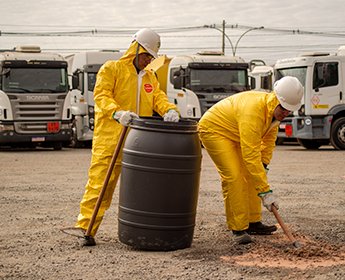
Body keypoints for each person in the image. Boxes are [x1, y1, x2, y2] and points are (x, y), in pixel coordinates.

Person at [62, 28, 180, 246]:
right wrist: (117, 113)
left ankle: (145, 230)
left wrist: (169, 110)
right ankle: (85, 229)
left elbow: (158, 98)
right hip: (110, 139)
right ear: (135, 49)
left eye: (151, 58)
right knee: (100, 185)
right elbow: (101, 95)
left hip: (139, 142)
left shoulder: (150, 76)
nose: (148, 61)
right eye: (146, 55)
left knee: (143, 187)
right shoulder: (112, 68)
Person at [198, 76, 303, 244]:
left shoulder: (274, 115)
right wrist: (265, 191)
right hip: (214, 130)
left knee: (254, 173)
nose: (286, 113)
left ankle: (253, 222)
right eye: (283, 108)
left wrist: (264, 165)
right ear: (275, 99)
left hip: (236, 133)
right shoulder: (254, 111)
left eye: (290, 110)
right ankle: (238, 229)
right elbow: (251, 155)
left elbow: (268, 142)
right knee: (234, 177)